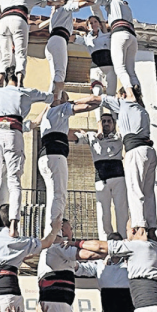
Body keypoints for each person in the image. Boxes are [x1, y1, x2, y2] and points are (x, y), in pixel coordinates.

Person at [0, 75, 55, 235]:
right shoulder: (24, 92)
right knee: (14, 181)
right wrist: (49, 103)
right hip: (13, 130)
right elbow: (50, 97)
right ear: (20, 80)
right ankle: (13, 226)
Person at [96, 90, 157, 235]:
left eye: (118, 95)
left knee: (134, 189)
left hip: (135, 151)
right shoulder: (142, 110)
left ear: (124, 95)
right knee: (148, 192)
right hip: (149, 151)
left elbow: (96, 98)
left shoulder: (125, 104)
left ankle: (140, 227)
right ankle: (152, 228)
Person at [36, 92, 100, 233]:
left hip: (46, 157)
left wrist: (78, 132)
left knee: (52, 195)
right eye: (66, 99)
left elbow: (66, 133)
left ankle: (51, 231)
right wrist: (101, 101)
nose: (68, 102)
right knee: (59, 195)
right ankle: (55, 233)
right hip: (56, 156)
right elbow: (88, 106)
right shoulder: (59, 109)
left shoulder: (48, 116)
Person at [76, 0, 140, 102]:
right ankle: (139, 96)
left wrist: (71, 3)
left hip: (120, 33)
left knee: (120, 68)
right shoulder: (126, 6)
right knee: (131, 71)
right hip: (132, 36)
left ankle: (130, 95)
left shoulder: (111, 1)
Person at [71, 113, 128, 239]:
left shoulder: (119, 136)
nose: (106, 123)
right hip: (101, 179)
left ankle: (123, 238)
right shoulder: (91, 136)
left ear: (113, 124)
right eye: (103, 121)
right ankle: (105, 240)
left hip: (118, 177)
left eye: (109, 121)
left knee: (122, 209)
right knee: (103, 211)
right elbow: (73, 136)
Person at [0, 0, 51, 87]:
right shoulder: (15, 18)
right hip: (10, 50)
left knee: (6, 61)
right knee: (20, 56)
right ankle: (19, 82)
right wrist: (52, 18)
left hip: (4, 49)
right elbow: (38, 26)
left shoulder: (1, 18)